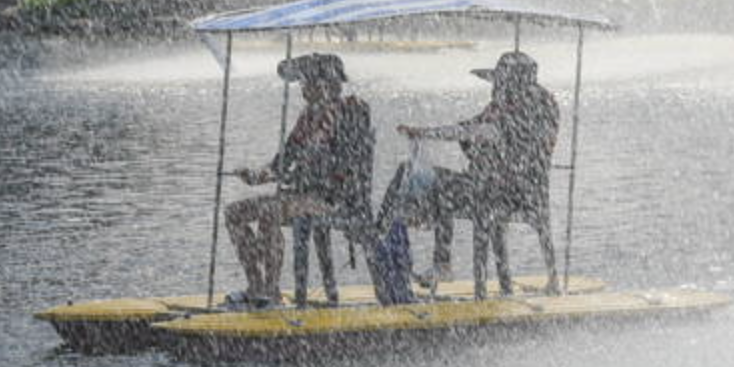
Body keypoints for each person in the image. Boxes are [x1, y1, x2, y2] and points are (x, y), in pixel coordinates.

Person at [396, 51, 560, 299]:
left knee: (442, 187)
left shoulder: (514, 111)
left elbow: (468, 131)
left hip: (505, 192)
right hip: (517, 188)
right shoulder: (536, 106)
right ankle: (450, 265)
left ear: (510, 84)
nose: (495, 90)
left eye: (499, 84)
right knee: (445, 187)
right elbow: (471, 130)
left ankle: (447, 264)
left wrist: (426, 133)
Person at [224, 53, 373, 308]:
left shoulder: (351, 110)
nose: (303, 89)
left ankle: (271, 293)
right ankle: (256, 285)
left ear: (327, 83)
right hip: (302, 196)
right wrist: (258, 175)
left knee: (269, 211)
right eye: (303, 83)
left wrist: (310, 170)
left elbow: (348, 164)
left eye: (308, 82)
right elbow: (282, 162)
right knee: (234, 213)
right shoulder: (307, 118)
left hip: (335, 198)